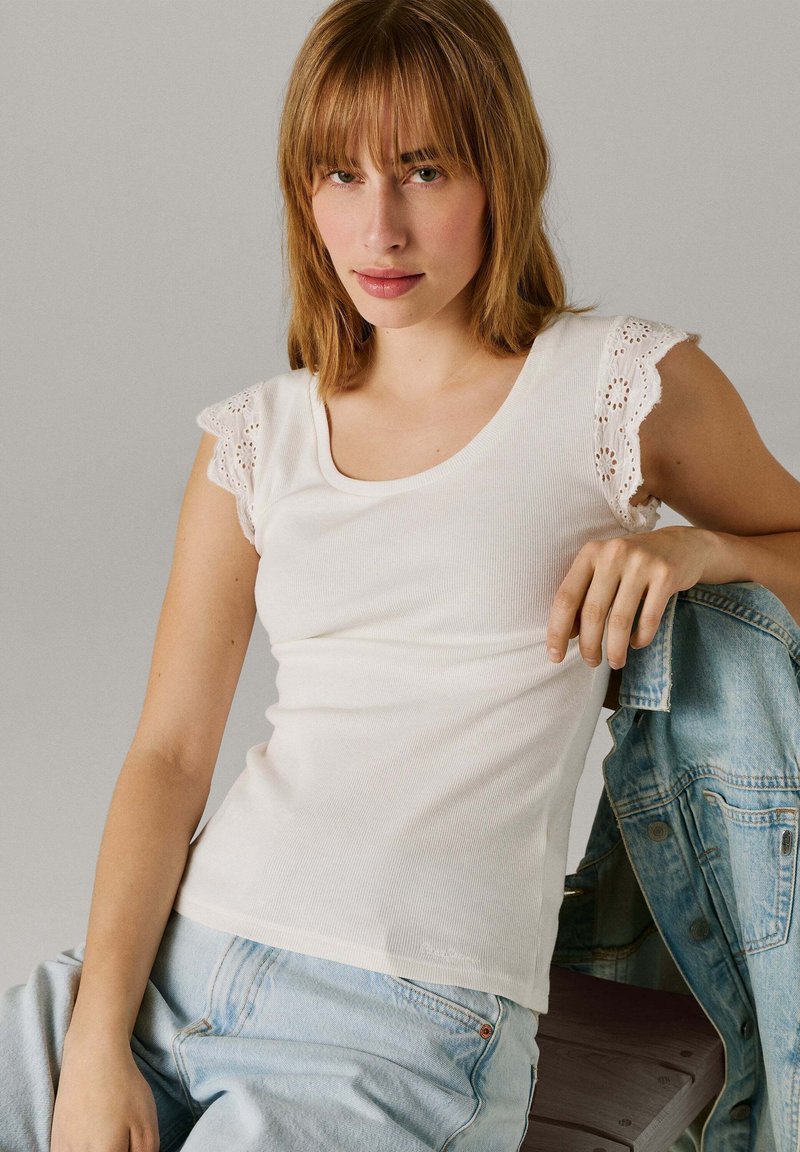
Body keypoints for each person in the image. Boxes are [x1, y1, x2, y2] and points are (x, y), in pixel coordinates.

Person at [3, 0, 800, 1150]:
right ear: (304, 194)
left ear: (499, 173)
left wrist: (700, 549)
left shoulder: (616, 387)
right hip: (170, 969)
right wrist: (92, 1046)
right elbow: (168, 760)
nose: (378, 227)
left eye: (422, 171)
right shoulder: (254, 441)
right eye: (341, 175)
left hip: (400, 1022)